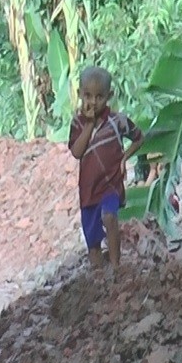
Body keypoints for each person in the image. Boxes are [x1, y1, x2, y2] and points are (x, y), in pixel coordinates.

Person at [69, 65, 146, 269]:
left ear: (109, 96)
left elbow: (139, 138)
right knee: (93, 243)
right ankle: (100, 276)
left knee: (110, 217)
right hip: (88, 189)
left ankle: (116, 267)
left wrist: (124, 157)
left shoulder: (117, 121)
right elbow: (76, 152)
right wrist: (89, 125)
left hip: (111, 184)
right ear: (79, 94)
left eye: (99, 96)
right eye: (88, 95)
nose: (93, 102)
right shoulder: (78, 123)